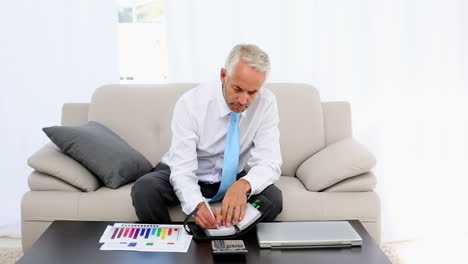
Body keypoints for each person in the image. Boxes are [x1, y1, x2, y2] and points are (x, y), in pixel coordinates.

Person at [131, 44, 282, 229]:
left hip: (232, 177)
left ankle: (231, 241)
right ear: (223, 76)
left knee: (274, 198)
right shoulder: (191, 103)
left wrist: (243, 185)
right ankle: (171, 246)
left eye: (252, 92)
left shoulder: (266, 103)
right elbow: (183, 171)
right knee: (144, 190)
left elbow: (270, 162)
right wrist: (197, 205)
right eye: (237, 89)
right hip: (186, 171)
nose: (244, 100)